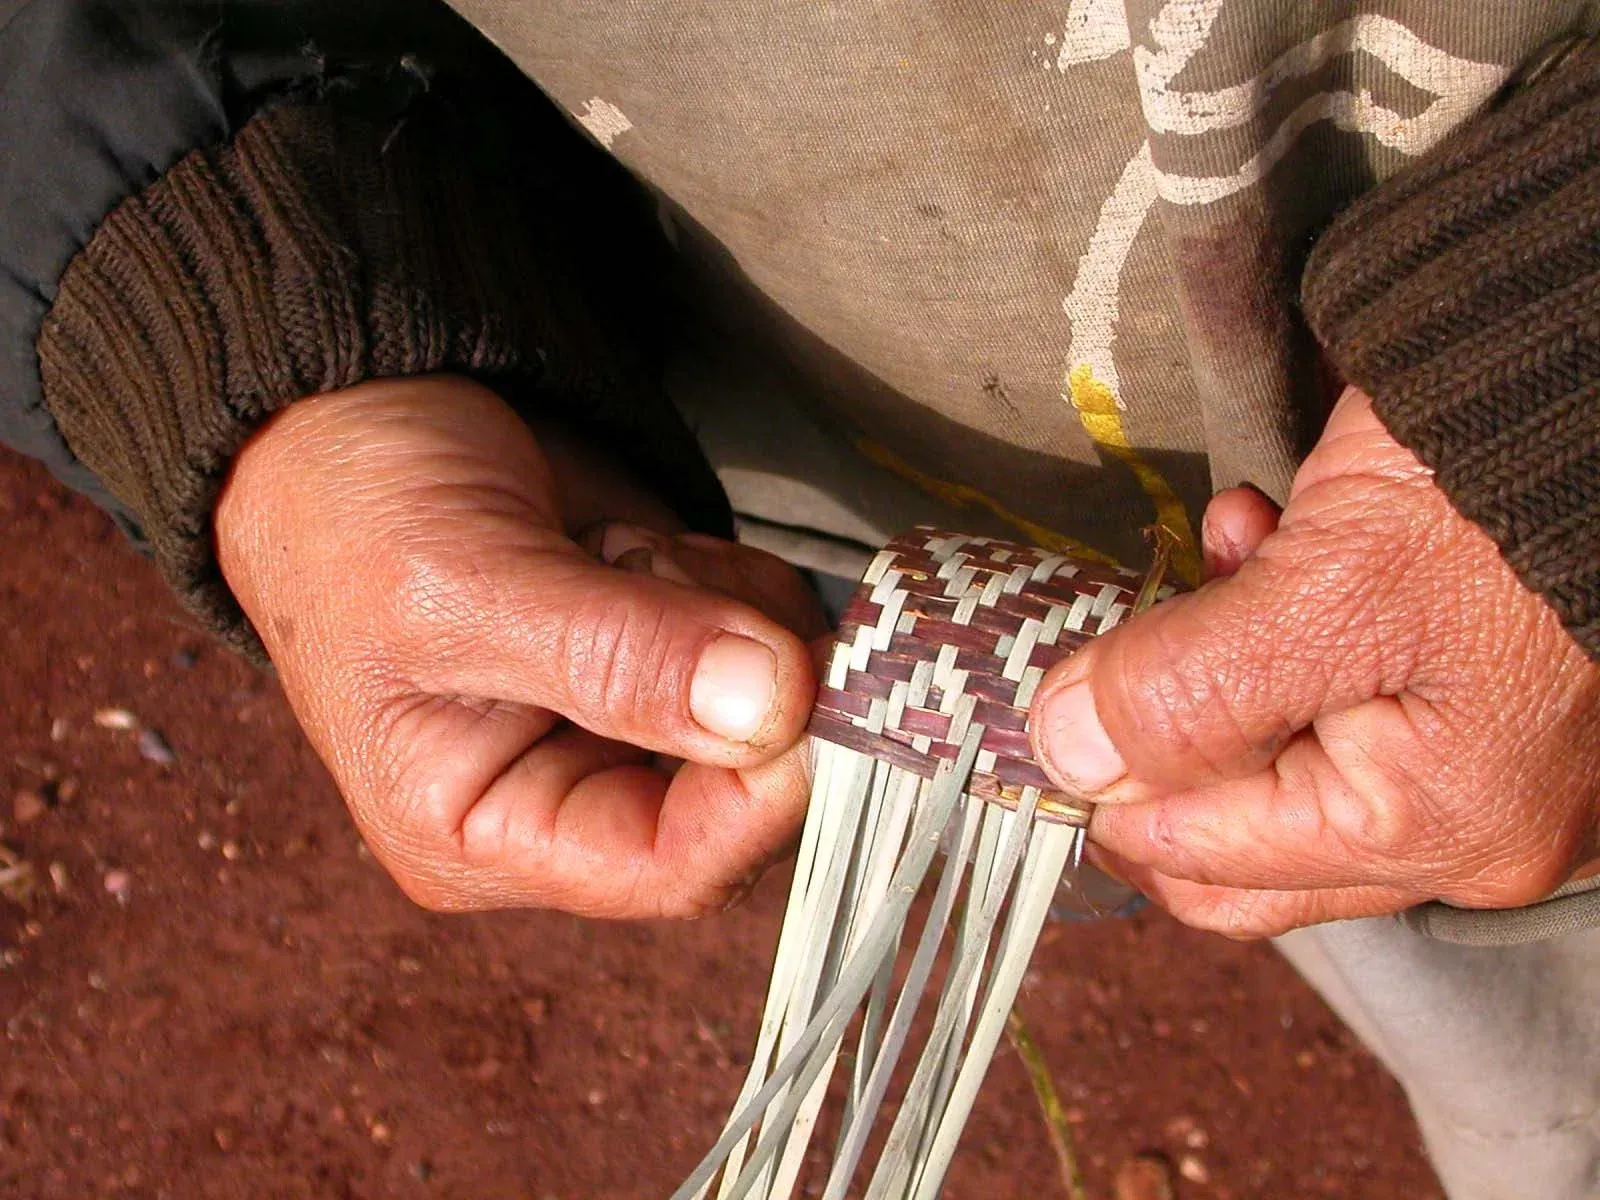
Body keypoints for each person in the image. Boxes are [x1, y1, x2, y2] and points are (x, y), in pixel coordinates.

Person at [2, 3, 1596, 1196]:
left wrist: (1562, 412)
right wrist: (272, 310)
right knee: (1355, 901)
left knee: (1529, 988)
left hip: (1524, 589)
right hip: (764, 470)